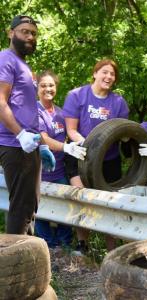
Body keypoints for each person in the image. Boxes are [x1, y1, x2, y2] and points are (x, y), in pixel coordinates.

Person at [63, 58, 129, 254]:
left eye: (112, 74)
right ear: (95, 73)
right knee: (83, 199)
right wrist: (87, 144)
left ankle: (112, 251)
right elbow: (71, 130)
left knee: (110, 204)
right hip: (79, 154)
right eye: (104, 72)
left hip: (108, 160)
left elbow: (123, 132)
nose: (108, 77)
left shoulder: (118, 102)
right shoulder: (76, 95)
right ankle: (83, 245)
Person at [0, 15, 55, 235]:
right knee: (22, 209)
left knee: (28, 207)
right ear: (11, 33)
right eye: (24, 31)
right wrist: (21, 134)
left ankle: (25, 260)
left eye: (33, 33)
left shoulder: (23, 65)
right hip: (15, 144)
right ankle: (12, 265)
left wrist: (40, 144)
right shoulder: (6, 59)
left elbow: (27, 110)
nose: (30, 36)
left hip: (28, 145)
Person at [34, 70, 86, 248]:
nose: (48, 88)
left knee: (65, 208)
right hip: (39, 172)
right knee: (41, 211)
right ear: (37, 88)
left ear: (56, 87)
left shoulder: (61, 113)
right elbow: (43, 138)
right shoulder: (34, 111)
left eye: (51, 85)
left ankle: (64, 245)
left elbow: (71, 133)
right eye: (43, 85)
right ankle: (48, 245)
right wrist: (66, 147)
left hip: (60, 171)